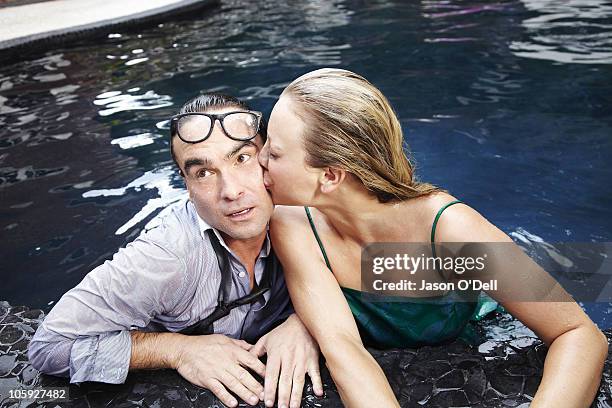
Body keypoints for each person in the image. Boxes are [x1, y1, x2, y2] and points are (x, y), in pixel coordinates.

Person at [258, 68, 609, 407]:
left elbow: (578, 334)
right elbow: (344, 351)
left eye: (273, 153)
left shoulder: (448, 230)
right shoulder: (293, 221)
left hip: (484, 336)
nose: (258, 160)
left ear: (331, 175)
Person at [28, 94, 323, 408]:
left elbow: (381, 273)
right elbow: (48, 347)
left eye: (241, 158)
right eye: (203, 173)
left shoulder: (306, 206)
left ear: (268, 157)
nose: (232, 191)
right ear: (186, 185)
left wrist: (306, 324)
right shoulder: (166, 257)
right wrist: (176, 350)